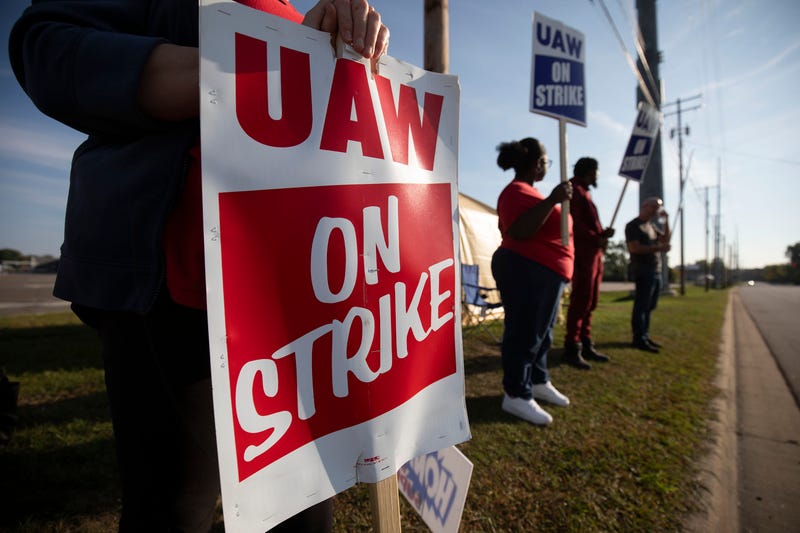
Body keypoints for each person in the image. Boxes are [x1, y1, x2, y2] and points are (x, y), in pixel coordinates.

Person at [9, 1, 389, 531]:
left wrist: (348, 49)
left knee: (304, 499)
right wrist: (255, 68)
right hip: (177, 284)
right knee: (175, 505)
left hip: (299, 299)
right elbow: (46, 47)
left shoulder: (299, 13)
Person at [491, 137, 574, 426]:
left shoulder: (531, 193)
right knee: (525, 332)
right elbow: (521, 230)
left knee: (542, 332)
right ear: (537, 163)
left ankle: (537, 379)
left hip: (545, 270)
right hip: (526, 267)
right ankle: (516, 393)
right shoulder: (516, 192)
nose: (547, 167)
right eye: (546, 162)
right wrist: (553, 199)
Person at [563, 157, 615, 369]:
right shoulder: (573, 189)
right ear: (589, 171)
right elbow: (574, 224)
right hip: (584, 254)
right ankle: (572, 346)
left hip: (594, 254)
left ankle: (585, 342)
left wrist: (603, 234)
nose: (598, 175)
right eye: (596, 171)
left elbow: (589, 226)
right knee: (581, 299)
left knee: (591, 300)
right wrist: (597, 237)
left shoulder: (585, 191)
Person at [625, 197, 671, 353]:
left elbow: (665, 238)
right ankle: (638, 338)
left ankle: (645, 334)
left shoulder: (651, 225)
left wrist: (666, 221)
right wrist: (659, 249)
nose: (656, 210)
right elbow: (634, 248)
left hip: (655, 270)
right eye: (655, 207)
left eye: (659, 208)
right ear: (645, 206)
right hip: (643, 270)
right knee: (641, 305)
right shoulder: (634, 225)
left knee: (650, 306)